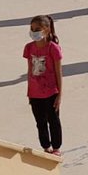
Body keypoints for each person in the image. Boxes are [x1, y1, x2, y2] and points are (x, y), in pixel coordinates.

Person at [23, 15, 63, 155]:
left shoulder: (53, 48)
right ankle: (46, 146)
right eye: (32, 29)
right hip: (35, 93)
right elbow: (29, 71)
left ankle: (56, 147)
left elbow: (59, 72)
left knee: (53, 120)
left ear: (46, 29)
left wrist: (59, 94)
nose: (34, 32)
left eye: (38, 29)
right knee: (40, 121)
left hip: (51, 92)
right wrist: (29, 92)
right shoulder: (29, 48)